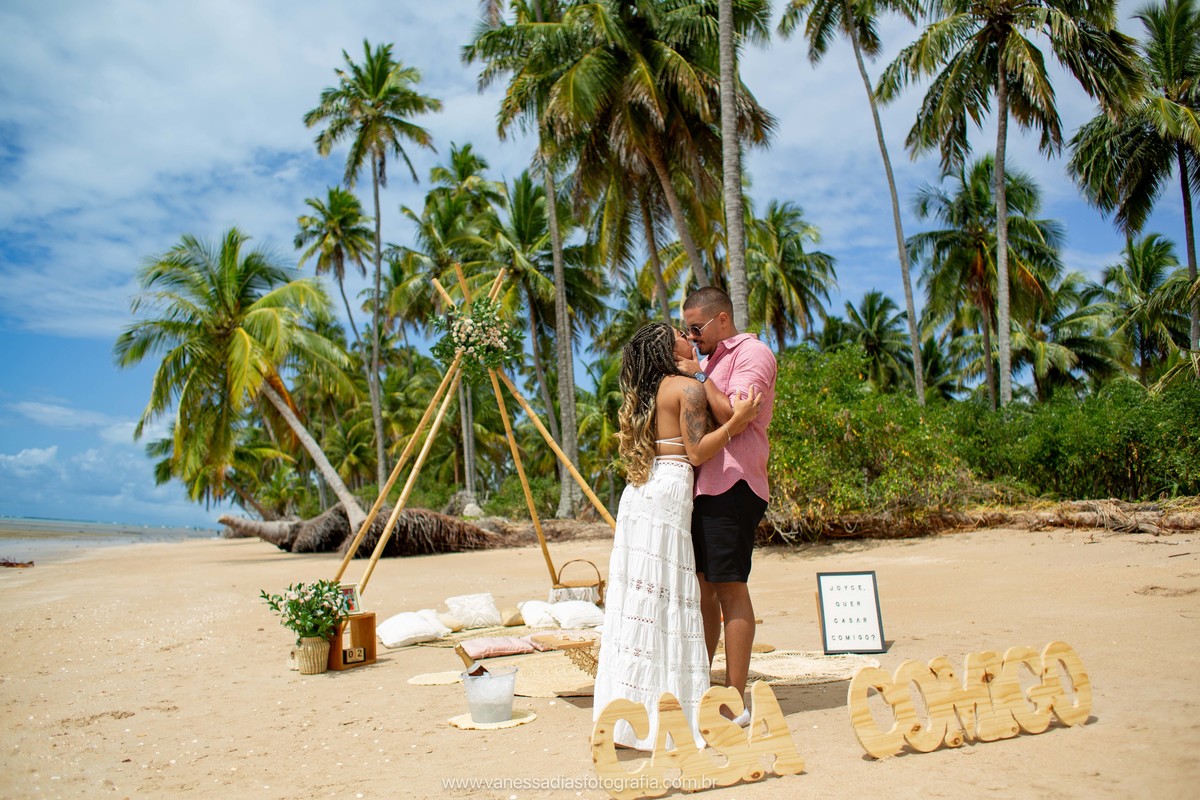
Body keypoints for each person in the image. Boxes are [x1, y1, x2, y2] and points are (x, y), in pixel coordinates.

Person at [592, 322, 762, 751]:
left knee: (641, 600)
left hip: (639, 491)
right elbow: (697, 451)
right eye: (680, 334)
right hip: (669, 487)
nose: (689, 337)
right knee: (669, 598)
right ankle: (669, 710)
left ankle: (630, 713)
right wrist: (738, 422)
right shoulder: (686, 388)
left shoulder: (648, 390)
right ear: (671, 349)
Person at [676, 287, 777, 726]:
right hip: (705, 486)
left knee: (730, 586)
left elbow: (735, 417)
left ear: (721, 320)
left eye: (696, 327)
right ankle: (704, 684)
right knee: (704, 588)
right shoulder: (710, 359)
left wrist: (698, 377)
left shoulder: (753, 354)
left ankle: (736, 700)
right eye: (686, 329)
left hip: (734, 482)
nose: (691, 336)